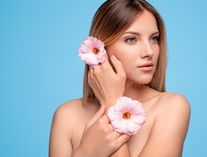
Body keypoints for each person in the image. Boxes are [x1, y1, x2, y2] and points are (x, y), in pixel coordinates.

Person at [49, 0, 191, 157]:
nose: (149, 51)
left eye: (154, 38)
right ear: (101, 47)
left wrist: (113, 102)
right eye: (131, 39)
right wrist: (87, 151)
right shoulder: (66, 115)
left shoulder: (172, 107)